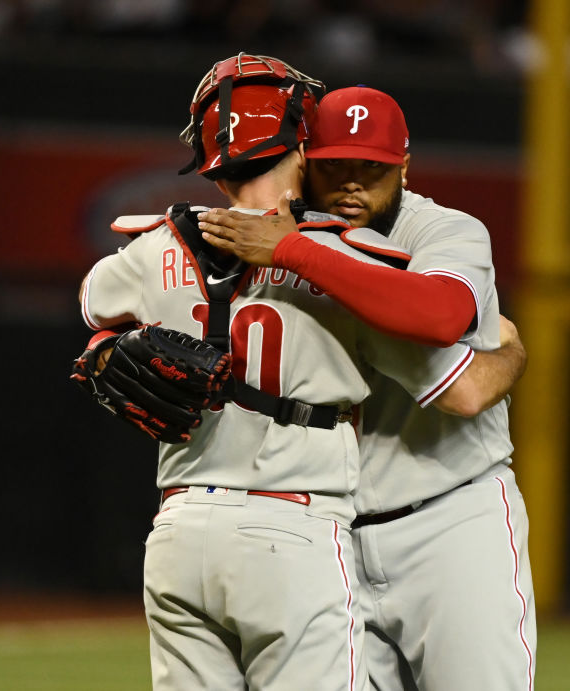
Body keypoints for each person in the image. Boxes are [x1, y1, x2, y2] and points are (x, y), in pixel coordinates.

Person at [77, 54, 498, 691]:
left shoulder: (155, 245)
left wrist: (114, 342)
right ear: (303, 146)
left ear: (212, 163)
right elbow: (460, 385)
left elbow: (91, 305)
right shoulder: (346, 261)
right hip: (290, 534)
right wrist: (511, 352)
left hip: (177, 534)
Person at [199, 85, 535, 690]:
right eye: (336, 167)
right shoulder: (262, 243)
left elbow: (442, 323)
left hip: (451, 521)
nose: (353, 185)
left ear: (404, 167)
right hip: (324, 535)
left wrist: (296, 252)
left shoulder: (447, 233)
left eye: (372, 170)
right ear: (305, 162)